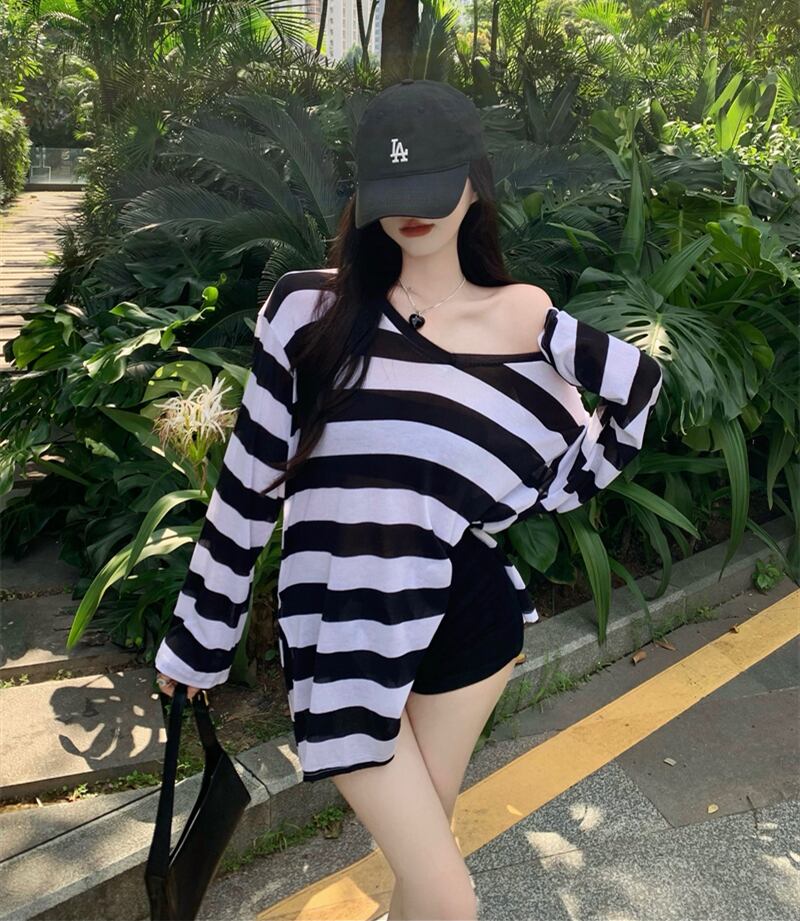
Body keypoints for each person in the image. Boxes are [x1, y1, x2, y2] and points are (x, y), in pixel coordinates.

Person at [155, 78, 663, 919]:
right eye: (392, 192)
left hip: (465, 621)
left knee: (427, 874)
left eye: (430, 188)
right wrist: (198, 642)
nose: (410, 214)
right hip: (342, 627)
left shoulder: (519, 316)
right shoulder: (308, 309)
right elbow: (248, 486)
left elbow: (626, 405)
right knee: (441, 885)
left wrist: (546, 382)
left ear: (475, 183)